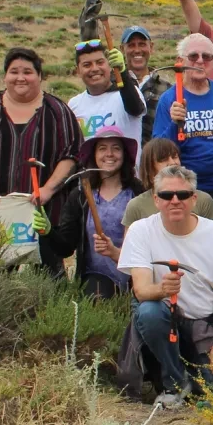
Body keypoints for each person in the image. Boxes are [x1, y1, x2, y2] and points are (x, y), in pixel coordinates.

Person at [118, 166, 213, 409]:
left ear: (194, 199)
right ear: (155, 199)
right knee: (150, 311)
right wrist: (163, 289)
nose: (175, 201)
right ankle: (174, 382)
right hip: (164, 319)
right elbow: (140, 291)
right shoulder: (141, 231)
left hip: (203, 320)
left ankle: (194, 381)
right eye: (166, 195)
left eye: (183, 195)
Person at [0, 48, 81, 277]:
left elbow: (71, 155)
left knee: (49, 281)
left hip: (43, 214)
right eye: (14, 71)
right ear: (5, 76)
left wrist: (47, 189)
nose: (20, 77)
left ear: (40, 76)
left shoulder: (58, 111)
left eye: (28, 72)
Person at [38, 127, 142, 298]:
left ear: (124, 155)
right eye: (102, 148)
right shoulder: (80, 196)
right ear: (94, 155)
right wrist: (48, 232)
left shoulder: (139, 192)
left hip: (138, 274)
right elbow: (66, 248)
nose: (109, 154)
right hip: (96, 278)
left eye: (116, 148)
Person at [152, 34, 213, 213]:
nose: (200, 61)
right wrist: (173, 124)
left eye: (206, 57)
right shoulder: (169, 99)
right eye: (193, 56)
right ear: (180, 61)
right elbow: (157, 150)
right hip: (188, 191)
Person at [123, 138, 213, 226]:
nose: (173, 163)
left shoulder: (203, 200)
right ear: (149, 169)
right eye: (163, 159)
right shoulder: (135, 206)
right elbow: (128, 244)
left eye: (174, 157)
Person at [68, 39, 146, 147]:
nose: (95, 69)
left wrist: (122, 71)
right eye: (87, 65)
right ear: (78, 71)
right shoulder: (73, 104)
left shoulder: (127, 93)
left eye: (100, 62)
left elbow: (136, 109)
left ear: (110, 65)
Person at [121, 27, 170, 142]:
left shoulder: (167, 89)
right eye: (131, 45)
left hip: (156, 157)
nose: (137, 50)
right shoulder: (114, 87)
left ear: (151, 47)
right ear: (122, 49)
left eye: (142, 44)